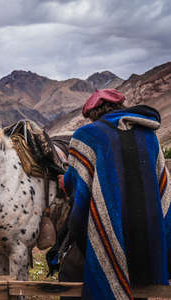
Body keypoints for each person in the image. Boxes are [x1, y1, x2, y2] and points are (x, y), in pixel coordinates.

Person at [58, 89, 171, 300]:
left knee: (71, 269)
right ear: (120, 106)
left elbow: (76, 186)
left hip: (108, 230)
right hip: (147, 240)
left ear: (92, 113)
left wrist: (64, 181)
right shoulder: (150, 135)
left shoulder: (87, 136)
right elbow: (163, 187)